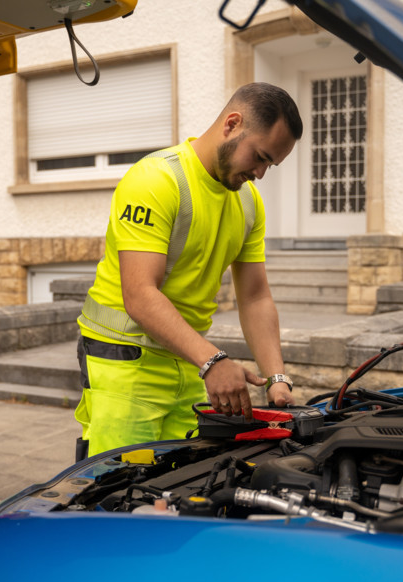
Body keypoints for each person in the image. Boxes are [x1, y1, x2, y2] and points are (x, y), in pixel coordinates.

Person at [75, 82, 302, 459]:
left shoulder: (248, 202)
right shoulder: (156, 180)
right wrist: (214, 361)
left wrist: (276, 379)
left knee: (181, 481)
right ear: (232, 124)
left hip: (188, 358)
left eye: (270, 165)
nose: (261, 173)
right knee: (119, 483)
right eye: (260, 157)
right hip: (124, 360)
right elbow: (140, 294)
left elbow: (255, 297)